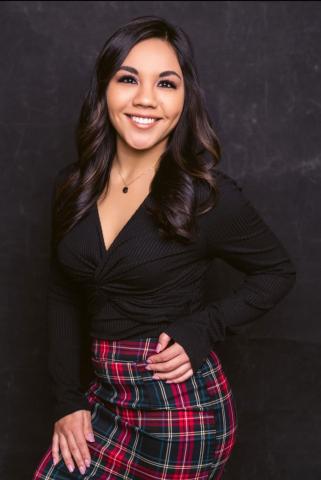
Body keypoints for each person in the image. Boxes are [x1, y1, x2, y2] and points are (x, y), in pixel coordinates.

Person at [32, 15, 296, 480]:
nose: (146, 99)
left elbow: (277, 272)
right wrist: (67, 401)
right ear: (104, 89)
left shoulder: (206, 196)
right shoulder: (72, 187)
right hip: (106, 400)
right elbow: (62, 294)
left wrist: (205, 325)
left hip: (180, 413)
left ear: (184, 99)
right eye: (128, 78)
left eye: (167, 84)